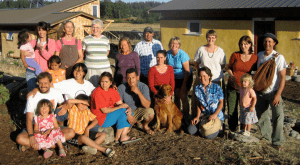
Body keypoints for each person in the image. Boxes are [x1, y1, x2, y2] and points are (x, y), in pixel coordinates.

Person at [16, 72, 75, 153]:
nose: (43, 85)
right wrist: (31, 136)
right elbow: (29, 119)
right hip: (36, 127)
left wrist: (65, 106)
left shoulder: (56, 92)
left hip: (50, 127)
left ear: (51, 83)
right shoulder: (32, 97)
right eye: (40, 83)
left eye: (45, 83)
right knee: (20, 138)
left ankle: (33, 146)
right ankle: (56, 145)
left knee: (71, 132)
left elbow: (63, 103)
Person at [256, 33, 287, 150]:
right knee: (262, 116)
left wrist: (278, 94)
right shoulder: (259, 55)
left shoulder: (279, 57)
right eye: (265, 41)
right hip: (260, 93)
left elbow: (283, 77)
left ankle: (277, 142)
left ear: (274, 43)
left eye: (270, 41)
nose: (267, 43)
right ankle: (266, 138)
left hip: (274, 92)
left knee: (278, 116)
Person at [91, 72, 140, 144]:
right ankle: (121, 136)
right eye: (102, 82)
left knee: (128, 111)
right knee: (122, 111)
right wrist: (121, 108)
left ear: (111, 82)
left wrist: (129, 110)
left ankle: (120, 136)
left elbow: (122, 104)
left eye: (106, 82)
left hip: (109, 115)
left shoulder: (112, 91)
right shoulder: (97, 92)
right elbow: (104, 110)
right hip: (101, 119)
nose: (104, 84)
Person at [227, 35, 258, 131]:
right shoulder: (235, 55)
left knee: (244, 109)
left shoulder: (254, 58)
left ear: (250, 45)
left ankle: (243, 129)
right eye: (241, 44)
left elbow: (256, 72)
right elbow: (228, 68)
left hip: (245, 89)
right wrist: (232, 76)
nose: (243, 46)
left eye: (245, 44)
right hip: (233, 86)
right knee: (232, 109)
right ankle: (232, 129)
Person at [188, 67, 224, 139]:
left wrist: (215, 114)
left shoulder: (217, 87)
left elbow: (221, 103)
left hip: (216, 116)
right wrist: (197, 116)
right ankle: (205, 126)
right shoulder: (197, 88)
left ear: (209, 76)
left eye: (204, 76)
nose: (202, 78)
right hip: (204, 115)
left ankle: (220, 126)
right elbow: (198, 103)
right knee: (190, 130)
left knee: (208, 136)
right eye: (200, 76)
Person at [118, 68, 155, 134]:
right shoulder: (121, 88)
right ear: (126, 78)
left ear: (137, 77)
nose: (131, 80)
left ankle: (145, 126)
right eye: (129, 78)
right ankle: (133, 124)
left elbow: (147, 105)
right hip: (127, 112)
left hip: (139, 110)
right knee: (123, 132)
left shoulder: (143, 87)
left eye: (133, 78)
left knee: (150, 112)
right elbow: (119, 105)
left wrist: (138, 92)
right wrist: (128, 115)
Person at [166, 36, 192, 119]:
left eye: (176, 43)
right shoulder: (168, 54)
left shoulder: (183, 55)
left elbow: (187, 71)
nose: (174, 45)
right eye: (172, 43)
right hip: (175, 78)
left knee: (183, 96)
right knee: (176, 96)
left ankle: (186, 117)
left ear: (179, 45)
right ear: (169, 44)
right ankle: (177, 115)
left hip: (185, 77)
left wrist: (184, 85)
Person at [26, 21, 55, 92]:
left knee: (44, 92)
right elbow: (26, 54)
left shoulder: (51, 42)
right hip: (31, 71)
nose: (41, 32)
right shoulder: (33, 42)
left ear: (47, 30)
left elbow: (49, 57)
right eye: (39, 30)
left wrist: (42, 49)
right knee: (32, 92)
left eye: (43, 29)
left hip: (44, 71)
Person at [82, 19, 112, 87]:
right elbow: (82, 53)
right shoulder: (86, 39)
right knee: (91, 89)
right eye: (93, 27)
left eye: (97, 27)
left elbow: (107, 53)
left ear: (101, 29)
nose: (95, 29)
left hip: (104, 69)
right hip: (90, 70)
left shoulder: (106, 40)